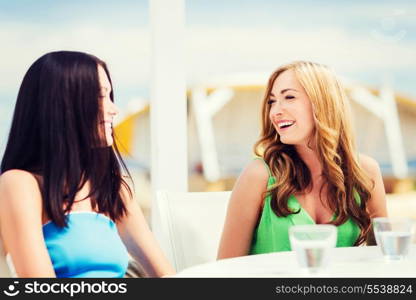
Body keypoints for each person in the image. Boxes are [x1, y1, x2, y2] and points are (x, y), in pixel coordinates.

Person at [0, 51, 175, 278]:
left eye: (110, 96)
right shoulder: (20, 184)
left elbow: (169, 279)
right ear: (64, 105)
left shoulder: (114, 189)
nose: (114, 109)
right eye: (101, 97)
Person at [217, 61, 387, 259]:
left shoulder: (365, 172)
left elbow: (384, 257)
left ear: (323, 102)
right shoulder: (259, 175)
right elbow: (224, 269)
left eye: (289, 97)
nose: (275, 111)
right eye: (272, 101)